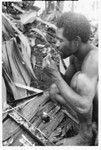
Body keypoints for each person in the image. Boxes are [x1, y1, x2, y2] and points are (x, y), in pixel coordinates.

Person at [43, 12, 98, 145]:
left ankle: (86, 136)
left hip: (89, 105)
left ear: (76, 42)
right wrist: (53, 70)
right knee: (55, 90)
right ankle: (92, 124)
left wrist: (55, 75)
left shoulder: (93, 59)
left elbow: (84, 106)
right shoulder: (75, 56)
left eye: (61, 40)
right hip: (91, 106)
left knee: (78, 79)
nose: (56, 44)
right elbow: (65, 84)